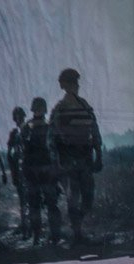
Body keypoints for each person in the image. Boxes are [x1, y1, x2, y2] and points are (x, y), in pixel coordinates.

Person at [51, 67, 102, 245]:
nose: (76, 86)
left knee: (88, 196)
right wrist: (57, 163)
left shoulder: (85, 105)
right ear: (65, 85)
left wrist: (99, 154)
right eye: (73, 82)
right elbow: (54, 137)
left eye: (76, 82)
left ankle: (78, 224)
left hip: (85, 158)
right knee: (73, 196)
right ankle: (77, 233)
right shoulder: (59, 109)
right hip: (69, 160)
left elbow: (95, 131)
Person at [22, 97, 62, 246]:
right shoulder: (48, 126)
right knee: (45, 205)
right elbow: (55, 149)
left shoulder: (27, 127)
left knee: (37, 206)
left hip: (37, 171)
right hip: (43, 170)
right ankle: (47, 236)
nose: (38, 110)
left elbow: (24, 152)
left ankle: (41, 237)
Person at [7, 106, 29, 235]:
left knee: (30, 200)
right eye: (17, 117)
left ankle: (29, 227)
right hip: (21, 170)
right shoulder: (15, 133)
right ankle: (25, 226)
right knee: (23, 199)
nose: (18, 119)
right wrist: (14, 173)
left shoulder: (27, 129)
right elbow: (10, 155)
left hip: (28, 169)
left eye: (20, 116)